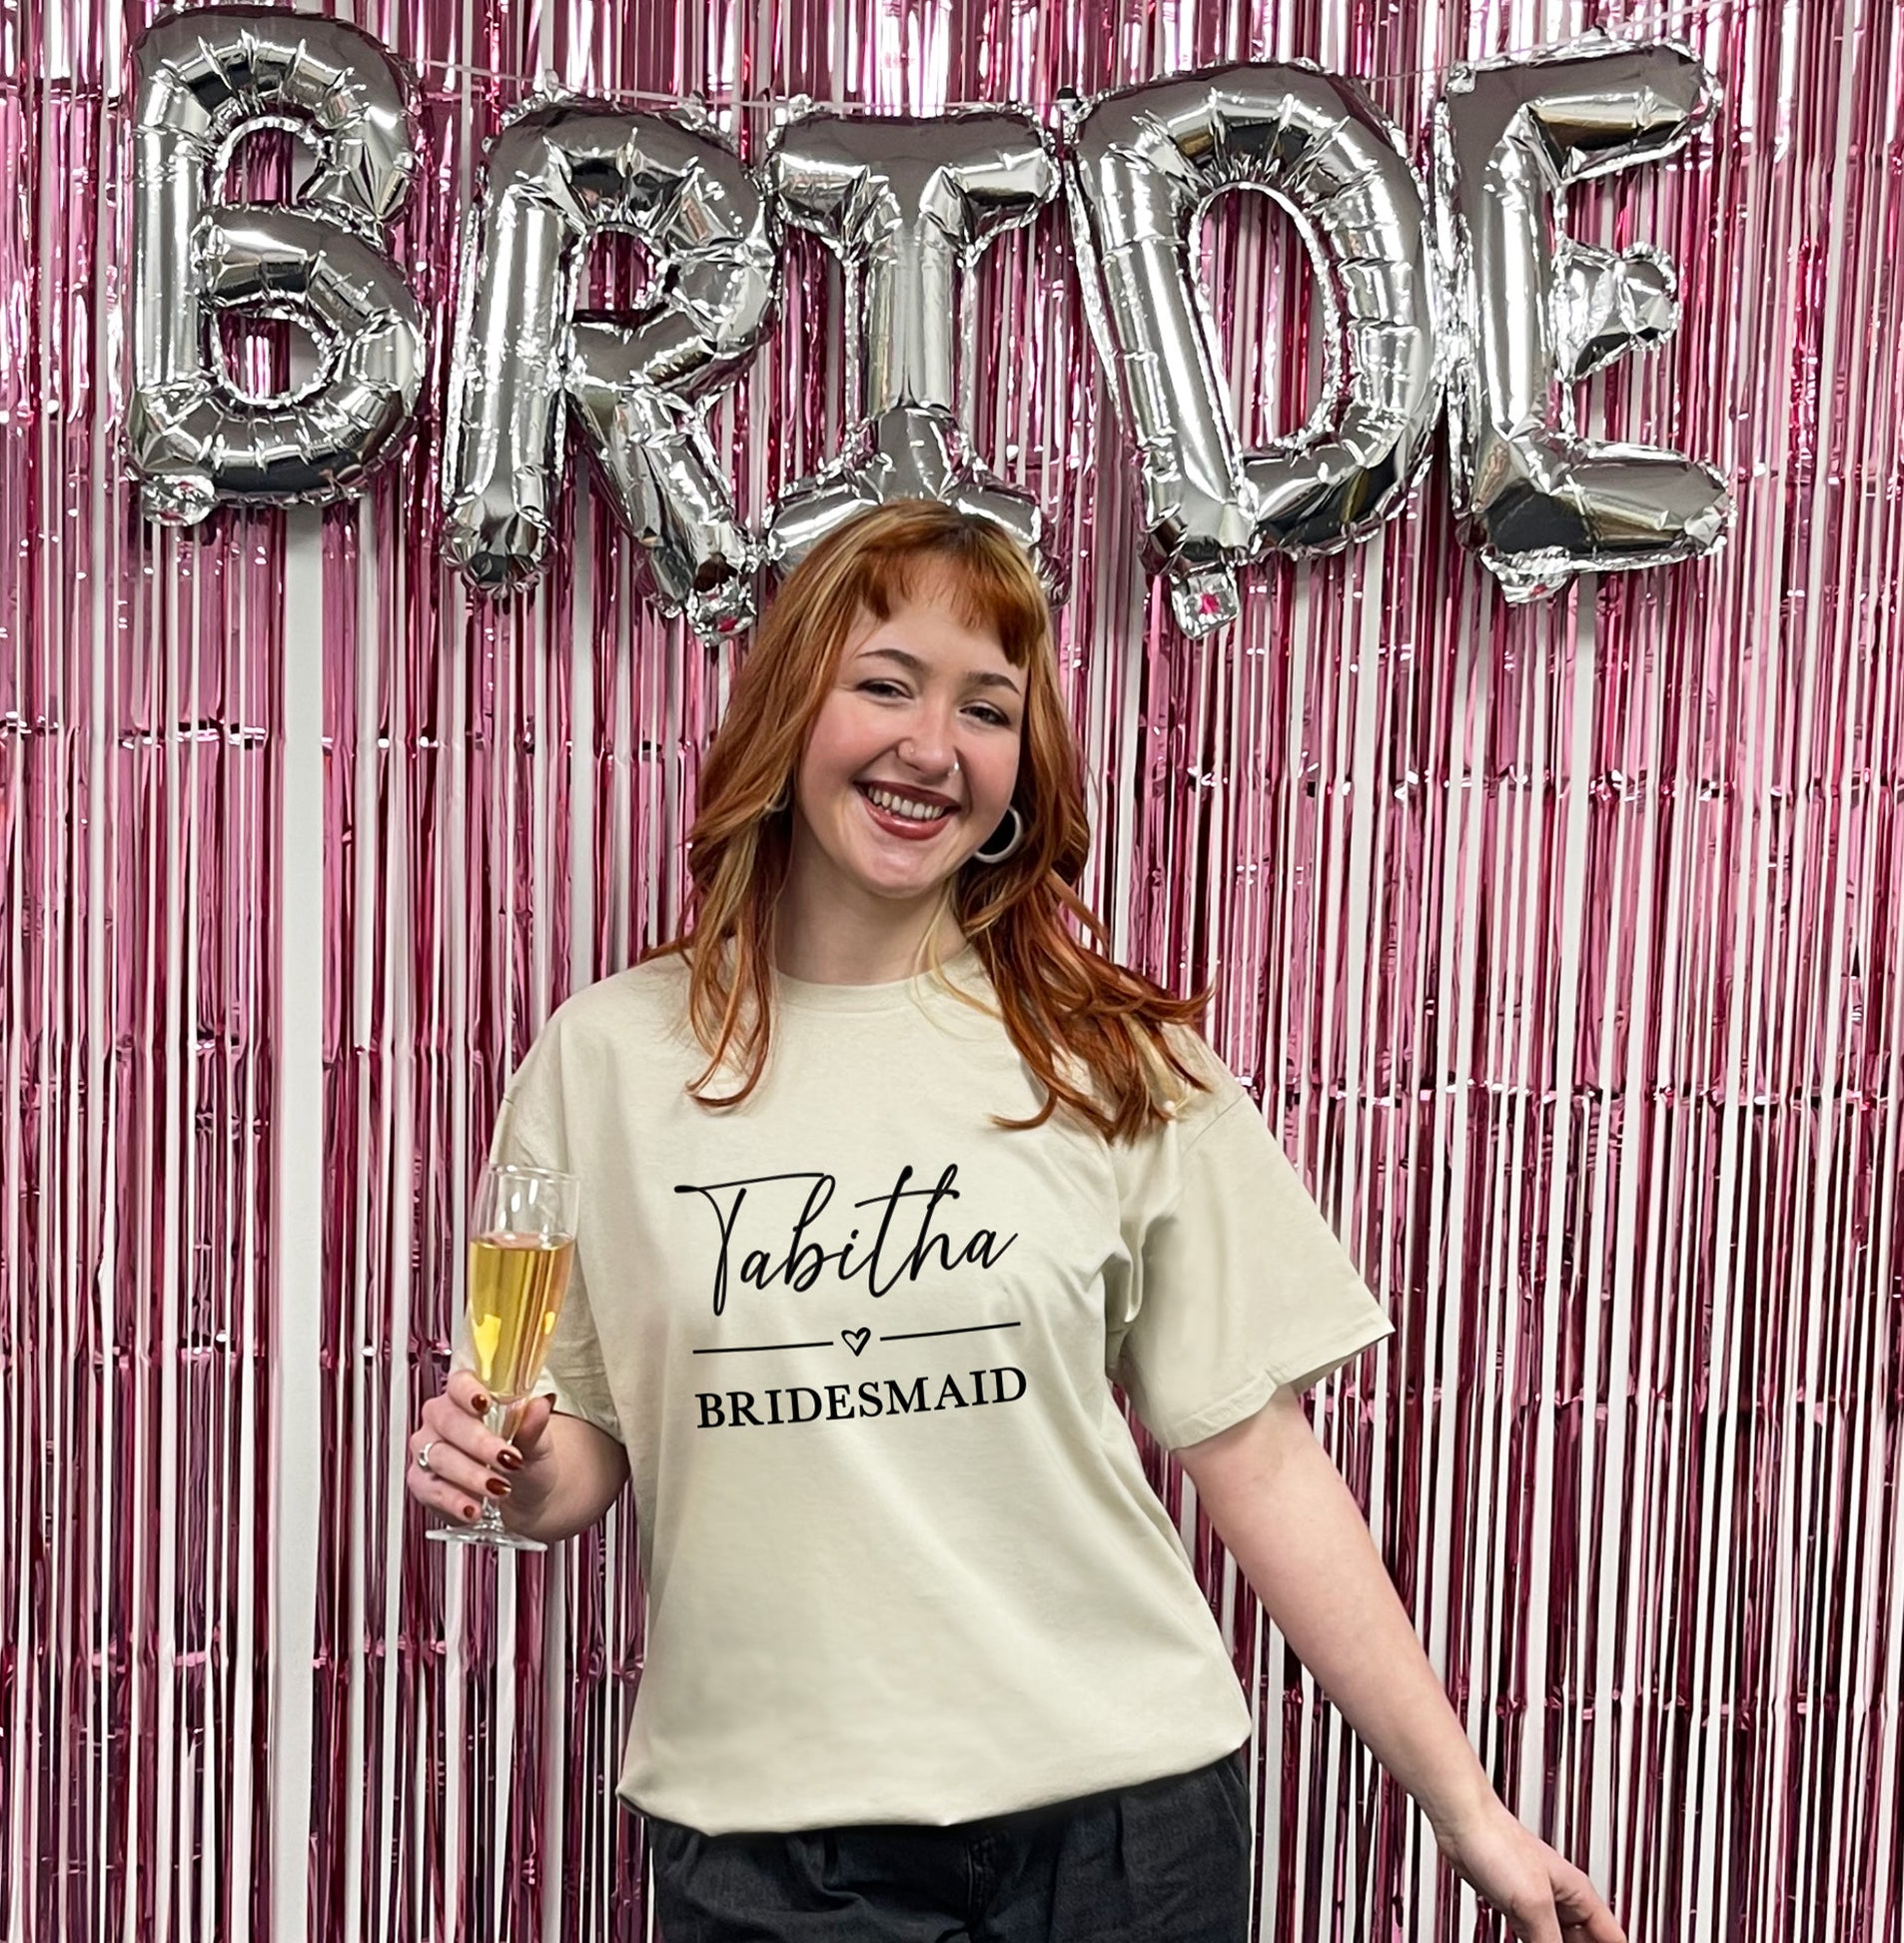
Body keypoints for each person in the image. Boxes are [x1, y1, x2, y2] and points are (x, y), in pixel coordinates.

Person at [406, 500, 1626, 1943]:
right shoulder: (603, 1057)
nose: (932, 745)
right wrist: (501, 1470)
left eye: (986, 706)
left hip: (1117, 1833)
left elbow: (1256, 1455)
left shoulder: (1112, 1055)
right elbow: (580, 1444)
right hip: (767, 1849)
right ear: (791, 703)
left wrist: (1466, 1809)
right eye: (884, 683)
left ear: (1020, 766)